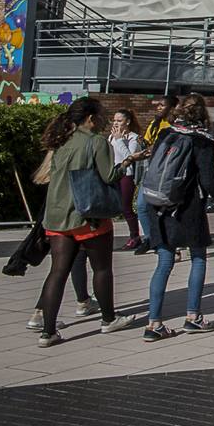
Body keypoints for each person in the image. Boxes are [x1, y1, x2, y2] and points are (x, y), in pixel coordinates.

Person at [34, 98, 140, 347]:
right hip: (88, 216)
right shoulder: (96, 142)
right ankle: (108, 319)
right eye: (101, 116)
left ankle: (48, 332)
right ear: (91, 118)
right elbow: (109, 175)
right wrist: (127, 162)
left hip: (57, 216)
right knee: (102, 268)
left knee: (57, 272)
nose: (104, 120)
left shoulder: (61, 140)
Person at [143, 94, 214, 341]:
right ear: (203, 115)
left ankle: (154, 322)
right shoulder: (202, 142)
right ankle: (193, 317)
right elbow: (209, 180)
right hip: (187, 207)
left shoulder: (166, 134)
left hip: (158, 204)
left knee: (164, 263)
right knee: (198, 257)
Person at [134, 94, 178, 255]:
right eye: (157, 105)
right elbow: (148, 143)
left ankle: (168, 241)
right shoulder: (155, 123)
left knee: (162, 208)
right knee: (141, 206)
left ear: (172, 108)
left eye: (162, 105)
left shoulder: (173, 126)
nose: (158, 107)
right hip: (151, 169)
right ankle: (150, 238)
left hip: (165, 172)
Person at [107, 109, 145, 250]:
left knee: (126, 207)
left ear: (127, 122)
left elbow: (129, 157)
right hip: (113, 173)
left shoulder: (133, 138)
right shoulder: (111, 137)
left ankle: (134, 236)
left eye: (119, 120)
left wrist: (119, 140)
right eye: (114, 120)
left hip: (126, 175)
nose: (116, 123)